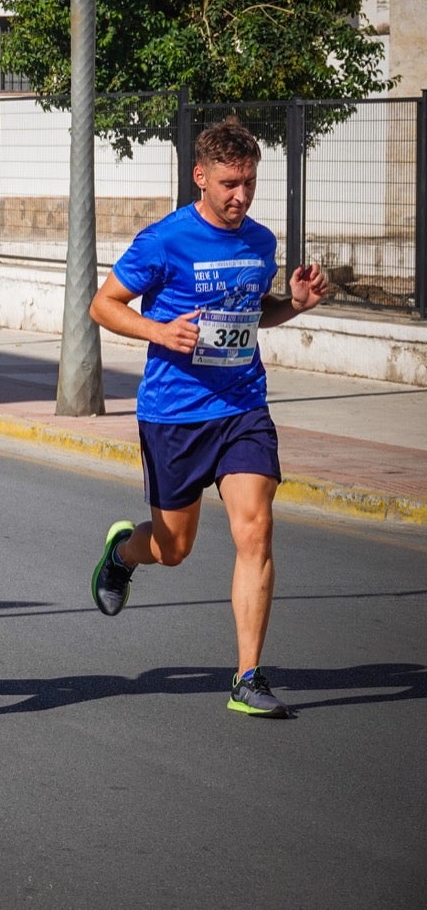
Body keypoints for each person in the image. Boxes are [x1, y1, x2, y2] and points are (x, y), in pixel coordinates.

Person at [88, 117, 330, 719]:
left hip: (242, 405)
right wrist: (158, 330)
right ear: (201, 177)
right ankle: (123, 555)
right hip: (174, 414)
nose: (240, 196)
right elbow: (104, 304)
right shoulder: (164, 240)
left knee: (256, 529)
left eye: (248, 182)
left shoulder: (261, 241)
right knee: (174, 548)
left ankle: (248, 676)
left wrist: (294, 305)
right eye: (228, 183)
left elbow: (255, 314)